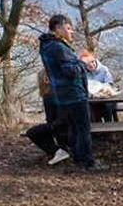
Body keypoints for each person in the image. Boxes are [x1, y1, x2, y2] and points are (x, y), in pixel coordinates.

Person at [38, 14, 107, 172]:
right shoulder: (58, 47)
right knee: (83, 128)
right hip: (74, 94)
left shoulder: (46, 46)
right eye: (68, 28)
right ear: (58, 28)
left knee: (74, 129)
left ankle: (78, 159)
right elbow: (70, 71)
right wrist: (81, 63)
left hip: (62, 95)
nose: (71, 32)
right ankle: (87, 162)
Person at [24, 69, 71, 165]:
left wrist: (51, 126)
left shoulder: (49, 95)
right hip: (67, 122)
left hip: (60, 124)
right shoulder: (62, 90)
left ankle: (57, 151)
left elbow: (51, 117)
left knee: (32, 132)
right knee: (45, 129)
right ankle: (59, 150)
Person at [80, 50, 116, 122]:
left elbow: (110, 84)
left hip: (106, 98)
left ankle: (109, 127)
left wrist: (101, 90)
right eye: (87, 64)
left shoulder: (104, 70)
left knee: (107, 107)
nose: (91, 65)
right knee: (88, 108)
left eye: (92, 62)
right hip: (92, 100)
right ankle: (97, 130)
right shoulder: (83, 73)